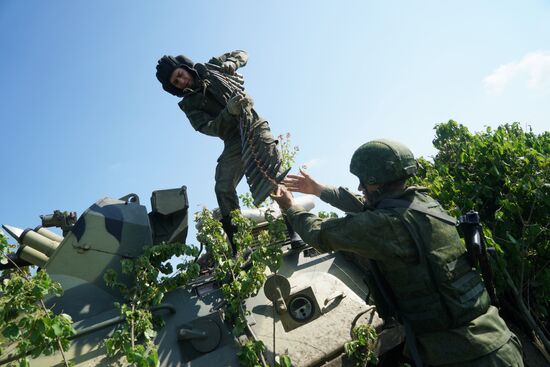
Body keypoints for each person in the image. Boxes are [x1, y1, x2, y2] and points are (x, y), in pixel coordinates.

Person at [271, 139, 524, 366]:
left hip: (464, 356)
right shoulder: (424, 205)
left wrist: (290, 208)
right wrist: (319, 189)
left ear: (375, 183)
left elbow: (320, 235)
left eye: (363, 182)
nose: (360, 187)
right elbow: (368, 212)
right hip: (497, 343)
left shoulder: (388, 225)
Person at [155, 50, 303, 253]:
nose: (180, 81)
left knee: (272, 177)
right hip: (233, 139)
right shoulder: (189, 106)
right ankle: (240, 244)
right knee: (223, 186)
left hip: (254, 124)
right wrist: (228, 112)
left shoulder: (212, 67)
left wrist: (233, 63)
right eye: (175, 82)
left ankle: (296, 229)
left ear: (185, 68)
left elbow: (243, 53)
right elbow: (208, 127)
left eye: (179, 75)